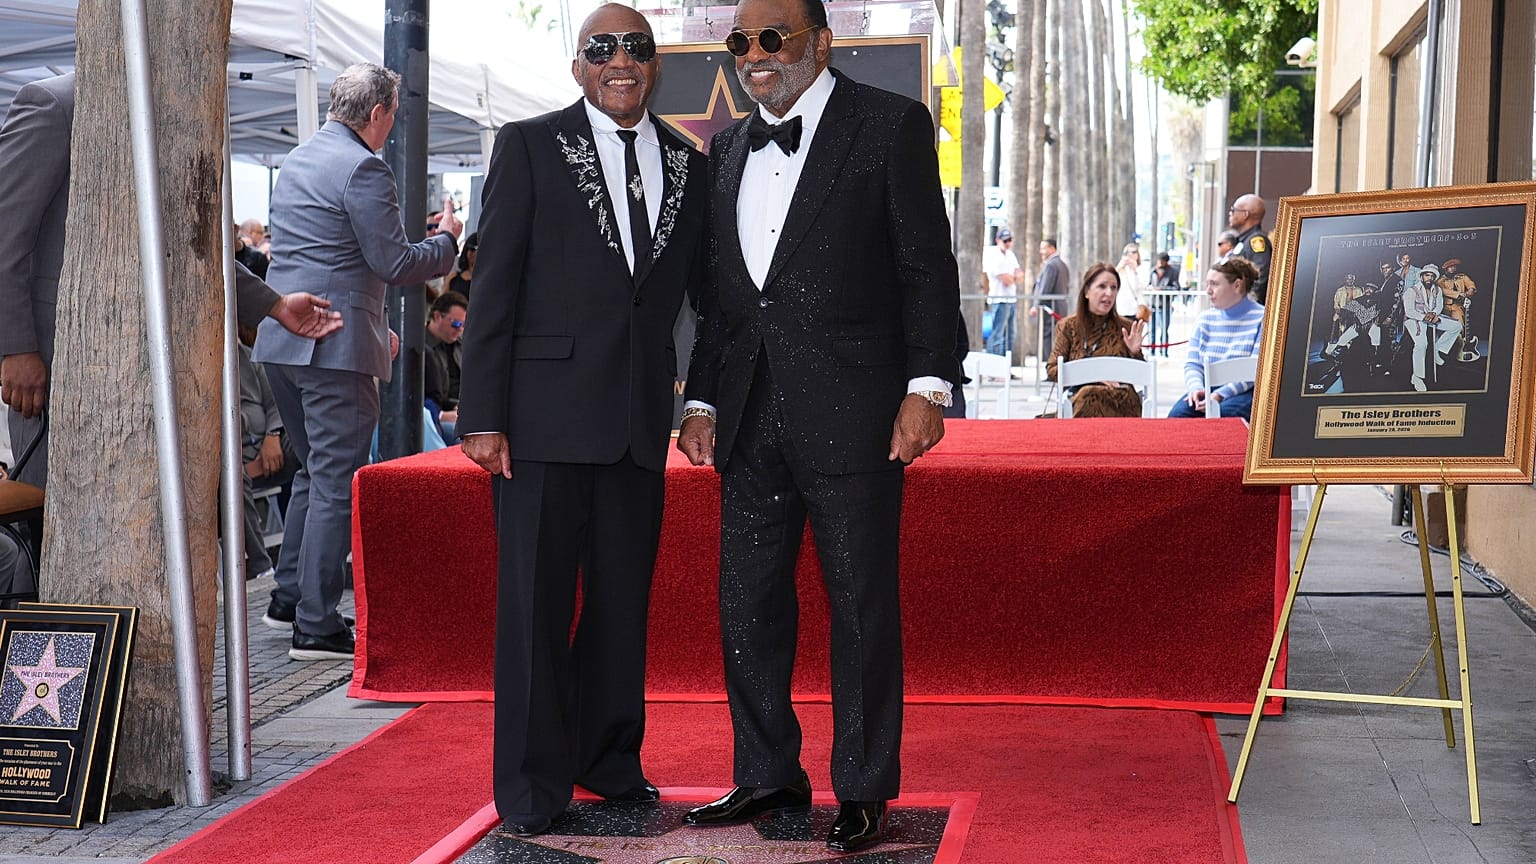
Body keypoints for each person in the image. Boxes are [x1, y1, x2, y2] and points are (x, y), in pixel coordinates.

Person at [675, 0, 959, 852]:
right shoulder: (724, 147)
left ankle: (866, 787)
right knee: (746, 602)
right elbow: (722, 295)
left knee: (861, 605)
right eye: (742, 43)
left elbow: (926, 267)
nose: (756, 56)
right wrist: (700, 400)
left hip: (861, 413)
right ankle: (766, 772)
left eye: (774, 38)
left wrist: (928, 389)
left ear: (820, 43)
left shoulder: (890, 126)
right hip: (750, 415)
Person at [455, 3, 708, 838]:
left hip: (639, 422)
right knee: (533, 609)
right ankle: (530, 788)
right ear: (578, 67)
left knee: (619, 605)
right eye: (603, 49)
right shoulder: (529, 145)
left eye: (636, 47)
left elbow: (702, 302)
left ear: (655, 64)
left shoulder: (686, 160)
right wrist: (483, 412)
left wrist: (696, 398)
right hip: (539, 422)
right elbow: (493, 287)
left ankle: (609, 762)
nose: (621, 61)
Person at [0, 73, 341, 495]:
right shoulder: (54, 103)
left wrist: (273, 305)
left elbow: (180, 250)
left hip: (147, 377)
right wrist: (17, 348)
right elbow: (5, 233)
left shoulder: (170, 111)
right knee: (53, 523)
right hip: (59, 370)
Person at [253, 62, 460, 662]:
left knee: (314, 473)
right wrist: (447, 239)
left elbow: (329, 255)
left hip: (285, 339)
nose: (392, 127)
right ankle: (315, 623)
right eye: (392, 115)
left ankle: (289, 599)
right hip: (334, 346)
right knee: (335, 479)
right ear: (378, 114)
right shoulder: (365, 167)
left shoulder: (300, 159)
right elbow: (395, 263)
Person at [1169, 256, 1265, 419]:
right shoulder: (1205, 319)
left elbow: (1255, 371)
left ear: (1237, 285)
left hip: (1244, 390)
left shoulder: (1263, 318)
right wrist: (1196, 388)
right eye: (1207, 284)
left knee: (1223, 418)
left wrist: (1220, 395)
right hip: (1206, 387)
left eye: (1214, 284)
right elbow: (1193, 363)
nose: (1208, 290)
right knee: (1177, 418)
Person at [1047, 263, 1147, 418]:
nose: (1109, 293)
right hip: (1079, 397)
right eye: (1102, 286)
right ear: (1087, 291)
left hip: (1121, 400)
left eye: (1114, 288)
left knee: (1088, 396)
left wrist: (1135, 353)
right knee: (1086, 395)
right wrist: (1093, 375)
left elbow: (1142, 375)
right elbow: (1053, 370)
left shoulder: (1126, 327)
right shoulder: (1068, 326)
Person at [1401, 263, 1461, 392]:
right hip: (1414, 319)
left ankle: (1437, 349)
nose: (1430, 278)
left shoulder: (1437, 289)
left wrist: (1434, 314)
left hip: (1431, 317)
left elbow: (1438, 306)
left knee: (1456, 326)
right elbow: (1409, 311)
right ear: (1422, 276)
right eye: (1427, 275)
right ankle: (1417, 377)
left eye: (1432, 276)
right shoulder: (1411, 291)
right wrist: (1424, 317)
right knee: (1422, 344)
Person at [423, 290, 466, 441]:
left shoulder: (459, 346)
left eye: (463, 325)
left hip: (455, 409)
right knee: (465, 440)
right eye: (456, 324)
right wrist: (442, 415)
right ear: (437, 316)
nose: (460, 330)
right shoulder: (418, 347)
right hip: (433, 416)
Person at [983, 228, 1022, 355]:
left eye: (1009, 240)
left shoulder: (1011, 255)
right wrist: (1014, 277)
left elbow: (1020, 276)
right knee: (997, 334)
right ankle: (993, 367)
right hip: (999, 299)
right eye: (1005, 240)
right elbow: (1006, 279)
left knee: (1011, 335)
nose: (1007, 243)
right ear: (998, 240)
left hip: (1011, 299)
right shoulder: (994, 256)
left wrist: (1013, 277)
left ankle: (1006, 366)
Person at [1225, 194, 1271, 303]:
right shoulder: (1244, 240)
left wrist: (1247, 304)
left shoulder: (1257, 240)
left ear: (1245, 214)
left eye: (1233, 210)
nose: (1230, 214)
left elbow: (1260, 276)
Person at [1033, 236, 1070, 354]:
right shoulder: (1062, 264)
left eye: (1044, 248)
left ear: (1052, 248)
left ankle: (1049, 363)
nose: (1041, 252)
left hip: (1050, 308)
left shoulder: (1051, 265)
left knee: (1048, 336)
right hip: (1060, 307)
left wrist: (1037, 304)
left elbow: (1045, 288)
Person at [1437, 258, 1477, 360]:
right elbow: (1443, 291)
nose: (1453, 269)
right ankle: (1444, 353)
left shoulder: (1462, 277)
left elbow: (1471, 285)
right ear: (1446, 269)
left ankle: (1459, 352)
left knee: (1461, 328)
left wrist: (1470, 291)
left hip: (1457, 306)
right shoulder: (1441, 280)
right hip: (1445, 307)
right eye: (1450, 267)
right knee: (1445, 330)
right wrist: (1460, 295)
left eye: (1454, 266)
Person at [448, 232, 477, 297]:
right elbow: (443, 301)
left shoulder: (489, 279)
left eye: (478, 250)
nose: (475, 253)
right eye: (472, 249)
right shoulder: (453, 278)